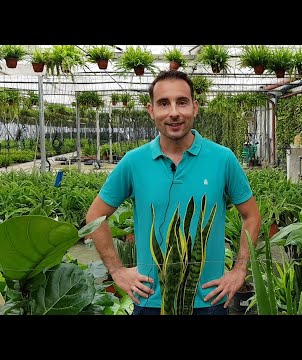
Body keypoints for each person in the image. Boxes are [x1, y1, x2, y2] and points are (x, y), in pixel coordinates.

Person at [85, 70, 261, 315]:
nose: (174, 112)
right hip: (150, 301)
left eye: (182, 102)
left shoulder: (223, 158)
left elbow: (251, 216)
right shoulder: (133, 162)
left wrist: (240, 270)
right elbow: (95, 216)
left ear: (195, 107)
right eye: (163, 103)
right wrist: (117, 271)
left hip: (209, 301)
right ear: (151, 111)